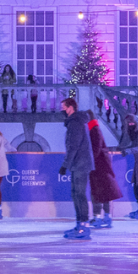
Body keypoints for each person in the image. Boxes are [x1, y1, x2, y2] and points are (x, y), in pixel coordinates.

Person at [58, 98, 94, 240]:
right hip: (78, 163)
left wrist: (65, 165)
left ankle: (84, 226)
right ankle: (80, 223)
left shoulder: (75, 123)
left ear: (71, 107)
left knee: (79, 194)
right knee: (75, 193)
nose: (62, 110)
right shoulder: (75, 122)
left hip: (80, 164)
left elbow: (74, 146)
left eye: (64, 107)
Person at [87, 115, 123, 228]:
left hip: (98, 166)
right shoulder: (94, 129)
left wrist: (90, 160)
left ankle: (99, 217)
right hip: (101, 165)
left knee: (98, 192)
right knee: (104, 191)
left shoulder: (94, 130)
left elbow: (96, 149)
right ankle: (106, 217)